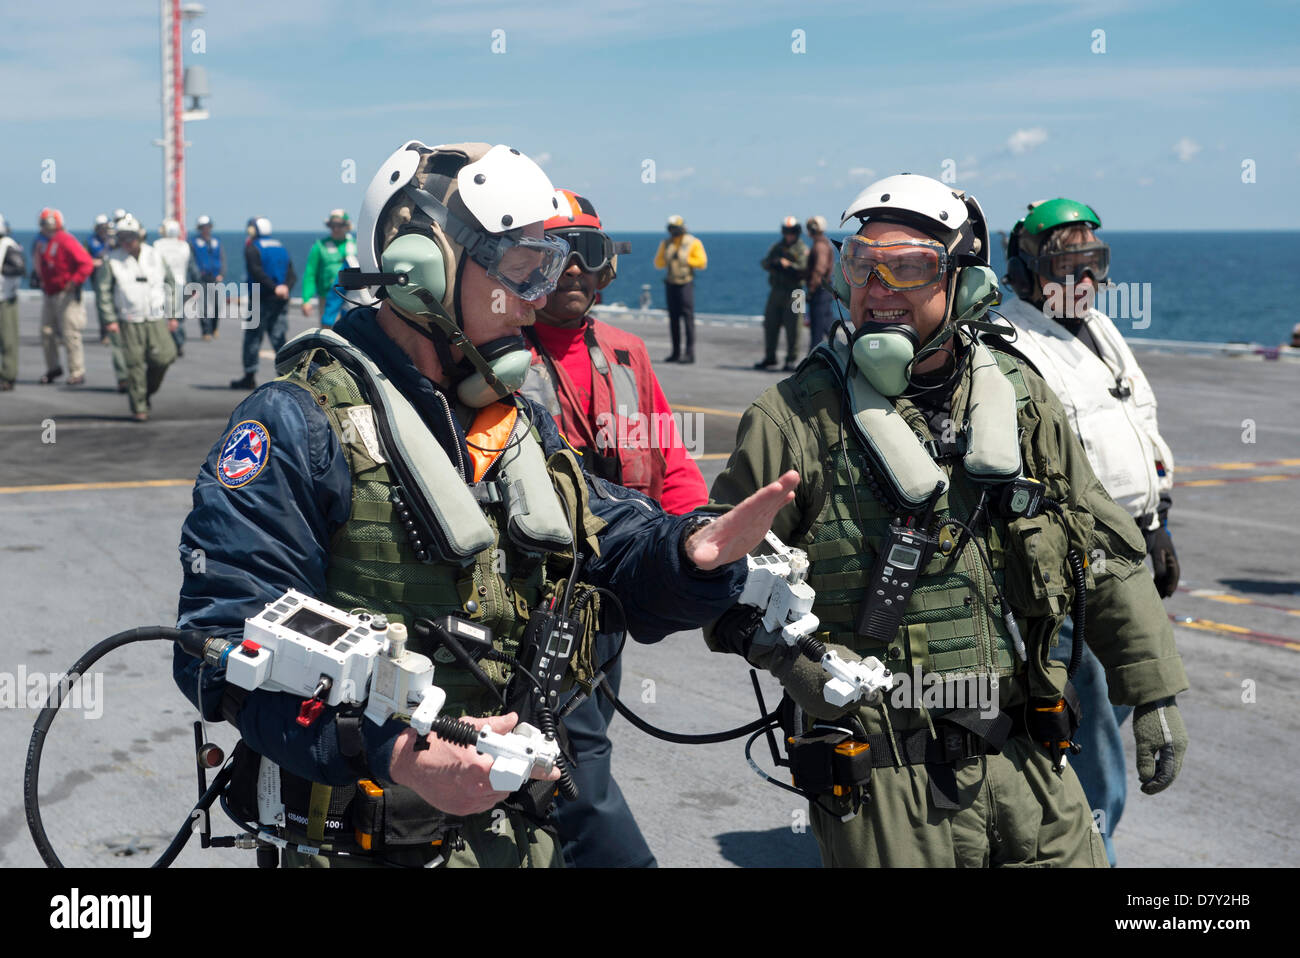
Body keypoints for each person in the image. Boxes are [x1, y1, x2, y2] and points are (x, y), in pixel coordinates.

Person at [172, 139, 791, 869]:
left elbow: (607, 535)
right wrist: (398, 750)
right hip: (367, 844)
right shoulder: (299, 422)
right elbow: (215, 639)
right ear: (420, 266)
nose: (534, 300)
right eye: (519, 271)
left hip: (512, 833)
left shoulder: (512, 423)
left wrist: (689, 554)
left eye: (545, 271)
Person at [706, 173, 1189, 867]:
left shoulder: (1022, 401)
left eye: (907, 267)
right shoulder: (792, 420)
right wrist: (790, 656)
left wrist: (1152, 688)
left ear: (963, 283)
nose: (877, 287)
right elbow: (723, 575)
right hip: (885, 780)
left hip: (1027, 753)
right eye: (860, 263)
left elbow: (1103, 548)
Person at [521, 187, 709, 867]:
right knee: (573, 760)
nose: (573, 269)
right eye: (557, 252)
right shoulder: (492, 355)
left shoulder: (626, 352)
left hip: (612, 595)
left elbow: (673, 464)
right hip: (535, 601)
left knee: (582, 740)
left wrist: (698, 549)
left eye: (589, 253)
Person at [998, 198, 1179, 865]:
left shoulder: (1100, 328)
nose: (1084, 277)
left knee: (1108, 714)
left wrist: (1158, 523)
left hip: (1132, 547)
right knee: (1094, 731)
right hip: (1073, 564)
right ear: (1025, 268)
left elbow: (1140, 425)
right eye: (1065, 262)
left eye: (1094, 261)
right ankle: (1089, 851)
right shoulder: (1011, 343)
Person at [94, 214, 178, 422]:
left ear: (139, 236)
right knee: (134, 364)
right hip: (129, 319)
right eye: (122, 237)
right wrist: (109, 319)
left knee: (165, 357)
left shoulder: (155, 255)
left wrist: (173, 314)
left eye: (130, 236)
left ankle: (145, 391)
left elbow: (171, 284)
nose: (127, 241)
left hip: (155, 317)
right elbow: (102, 291)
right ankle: (139, 406)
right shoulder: (112, 260)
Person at [231, 217, 296, 390]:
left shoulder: (252, 248)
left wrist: (273, 288)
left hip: (261, 298)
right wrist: (285, 288)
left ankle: (249, 376)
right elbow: (291, 273)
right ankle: (286, 376)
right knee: (279, 337)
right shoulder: (281, 247)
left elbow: (256, 271)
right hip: (280, 299)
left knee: (253, 337)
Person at [35, 208, 95, 386]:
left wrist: (74, 282)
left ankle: (77, 371)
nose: (46, 228)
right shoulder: (43, 242)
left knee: (70, 333)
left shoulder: (66, 240)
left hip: (66, 294)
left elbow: (86, 263)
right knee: (46, 331)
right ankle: (53, 367)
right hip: (50, 293)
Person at [755, 217, 809, 372]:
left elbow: (804, 268)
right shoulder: (777, 247)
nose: (788, 235)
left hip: (796, 292)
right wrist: (775, 263)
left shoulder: (801, 249)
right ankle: (770, 357)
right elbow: (765, 263)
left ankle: (791, 359)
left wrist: (789, 265)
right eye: (786, 231)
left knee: (794, 327)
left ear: (797, 232)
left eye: (791, 232)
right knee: (770, 324)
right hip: (777, 290)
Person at [653, 215, 707, 364]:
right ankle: (675, 353)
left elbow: (702, 262)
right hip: (671, 283)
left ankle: (690, 353)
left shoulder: (693, 242)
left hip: (685, 283)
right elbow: (658, 263)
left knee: (688, 318)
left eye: (675, 229)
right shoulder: (666, 243)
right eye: (670, 229)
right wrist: (668, 257)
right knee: (674, 320)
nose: (672, 232)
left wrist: (685, 259)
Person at [302, 209, 357, 328]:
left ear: (347, 226)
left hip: (352, 298)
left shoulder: (355, 245)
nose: (336, 229)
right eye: (333, 225)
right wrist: (306, 299)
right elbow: (310, 274)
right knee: (329, 331)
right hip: (327, 299)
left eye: (340, 225)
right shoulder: (320, 246)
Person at [154, 218, 195, 357]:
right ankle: (178, 342)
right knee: (178, 317)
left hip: (163, 284)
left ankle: (172, 342)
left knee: (164, 315)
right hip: (181, 283)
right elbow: (191, 267)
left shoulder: (157, 245)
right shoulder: (184, 246)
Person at [190, 214, 226, 340]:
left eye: (207, 227)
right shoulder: (194, 243)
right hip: (201, 279)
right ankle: (206, 331)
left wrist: (222, 273)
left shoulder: (216, 242)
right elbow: (192, 261)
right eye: (203, 227)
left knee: (217, 305)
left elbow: (222, 259)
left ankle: (214, 328)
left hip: (215, 278)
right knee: (203, 306)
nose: (206, 229)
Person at [804, 215, 836, 353]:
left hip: (820, 291)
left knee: (817, 329)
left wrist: (811, 290)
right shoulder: (823, 244)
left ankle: (812, 359)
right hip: (824, 290)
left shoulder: (819, 246)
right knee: (827, 326)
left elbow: (819, 269)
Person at [0, 214, 25, 391]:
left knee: (8, 339)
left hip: (5, 299)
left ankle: (8, 376)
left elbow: (19, 268)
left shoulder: (8, 245)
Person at [86, 214, 114, 344]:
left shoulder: (113, 240)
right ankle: (105, 334)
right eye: (101, 228)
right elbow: (84, 258)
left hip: (113, 276)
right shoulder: (91, 241)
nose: (103, 230)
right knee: (102, 304)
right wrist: (94, 261)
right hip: (98, 277)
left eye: (105, 227)